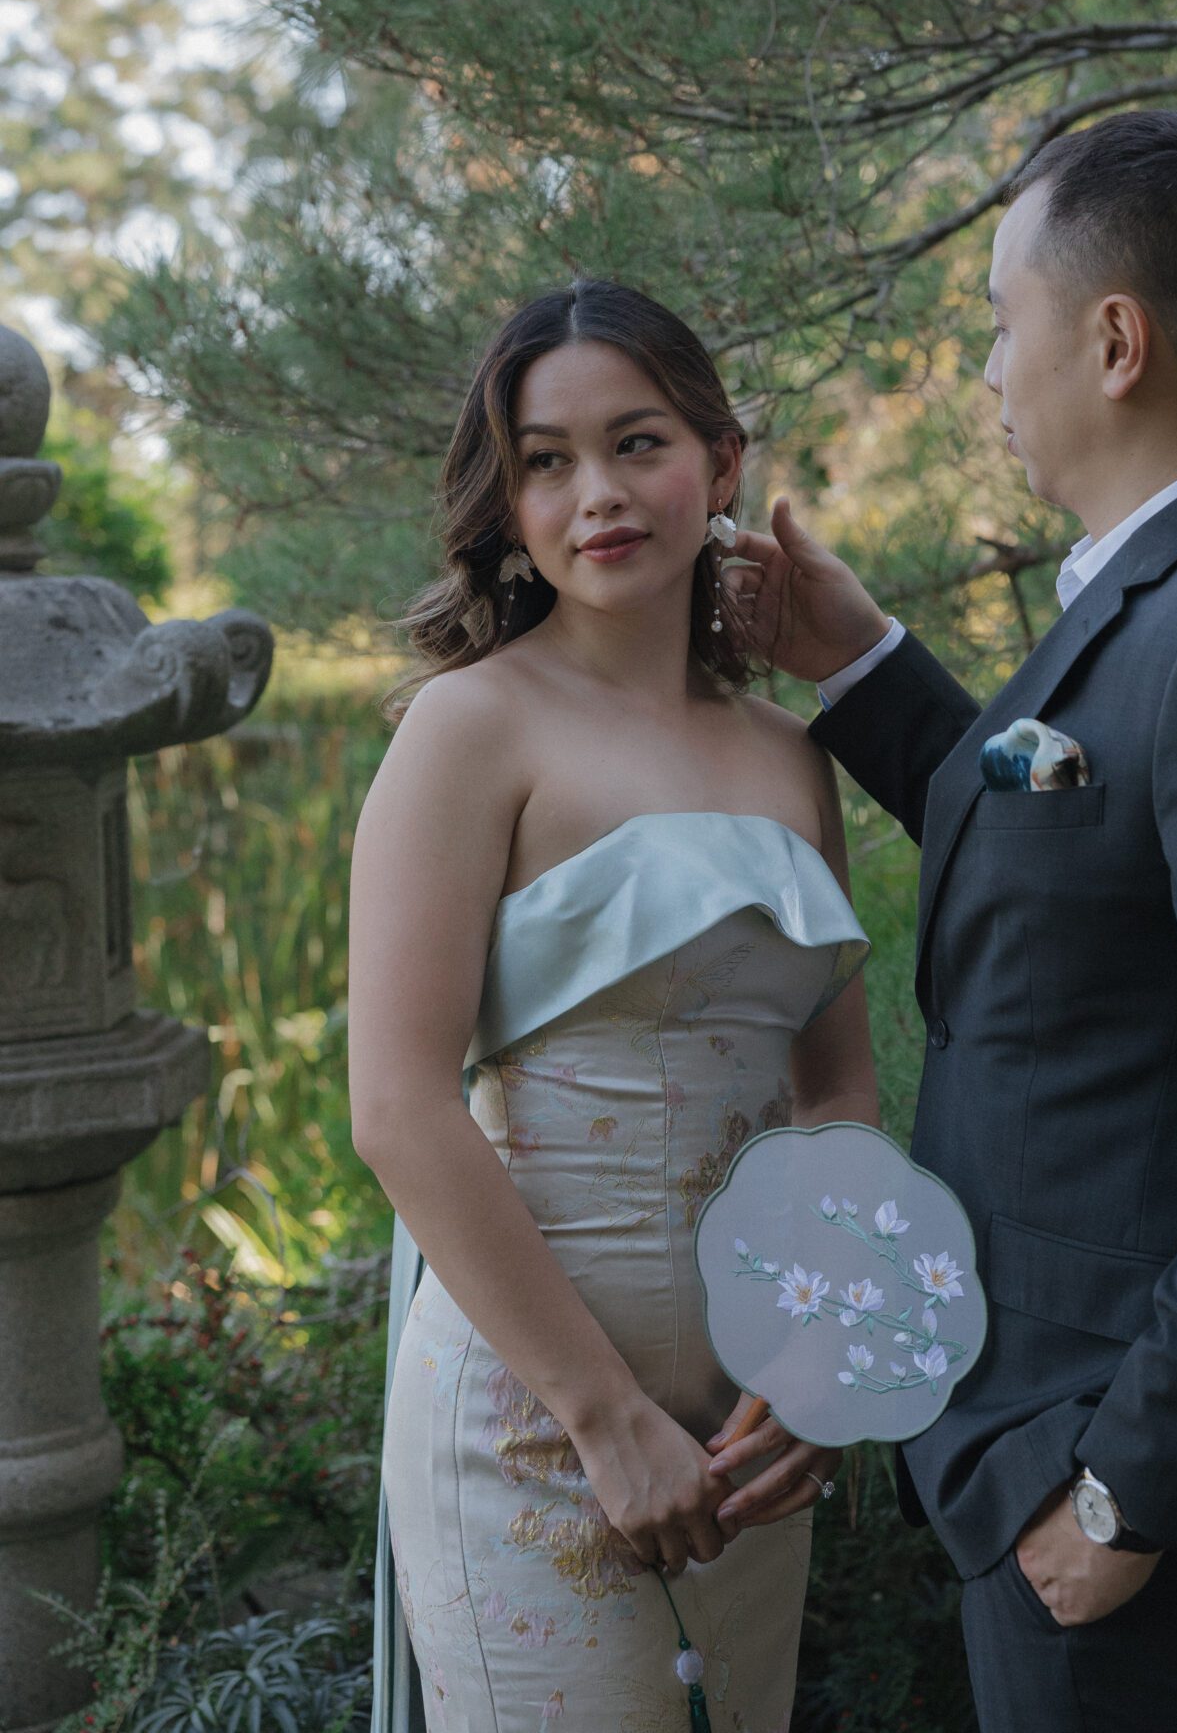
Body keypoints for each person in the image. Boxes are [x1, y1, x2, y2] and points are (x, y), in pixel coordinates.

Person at [728, 110, 1177, 1733]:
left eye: (999, 324)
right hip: (1051, 1444)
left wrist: (1127, 1491)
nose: (987, 374)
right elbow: (1083, 863)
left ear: (1114, 341)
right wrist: (863, 671)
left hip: (1129, 1484)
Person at [351, 280, 879, 1733]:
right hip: (536, 1433)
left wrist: (819, 1362)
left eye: (637, 442)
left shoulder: (788, 755)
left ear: (721, 463)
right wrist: (604, 1417)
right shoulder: (471, 728)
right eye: (545, 459)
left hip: (748, 1430)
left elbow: (835, 1088)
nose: (597, 493)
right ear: (505, 497)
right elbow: (396, 1106)